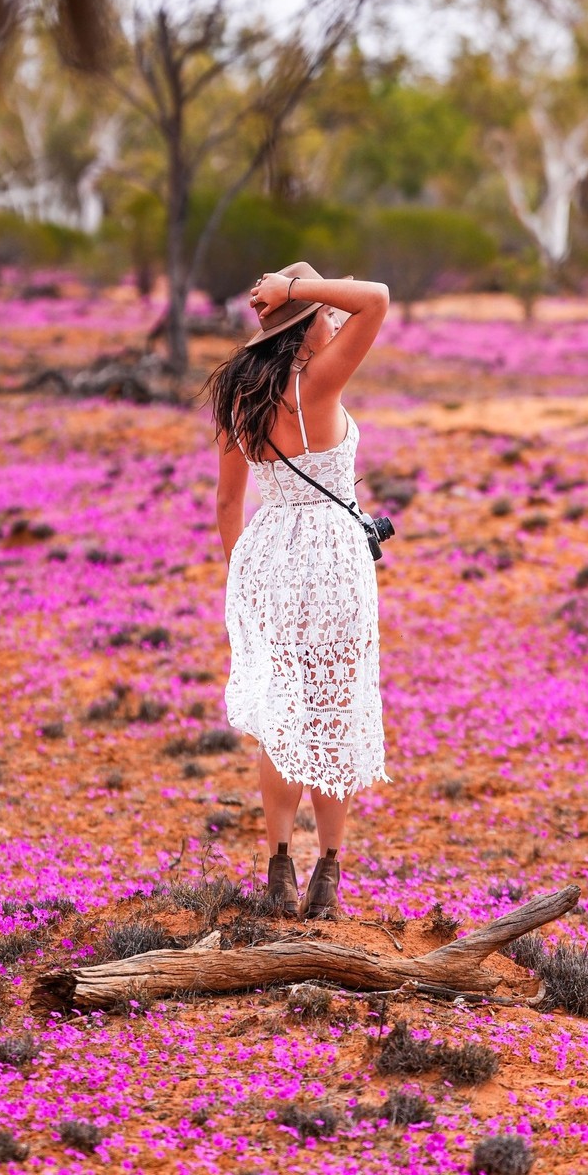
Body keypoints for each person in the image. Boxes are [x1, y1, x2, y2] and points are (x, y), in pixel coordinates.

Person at [207, 262, 391, 918]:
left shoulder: (242, 399)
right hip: (334, 561)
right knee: (333, 715)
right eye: (324, 316)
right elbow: (377, 298)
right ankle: (329, 875)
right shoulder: (320, 382)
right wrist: (297, 290)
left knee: (282, 721)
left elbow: (229, 504)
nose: (335, 320)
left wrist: (243, 580)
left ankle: (279, 867)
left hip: (271, 559)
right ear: (306, 325)